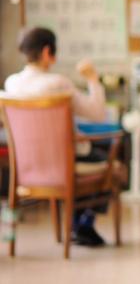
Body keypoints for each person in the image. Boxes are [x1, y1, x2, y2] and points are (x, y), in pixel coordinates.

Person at [4, 27, 109, 246]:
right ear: (46, 52)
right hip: (63, 162)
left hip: (27, 165)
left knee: (90, 156)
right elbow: (98, 114)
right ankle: (82, 223)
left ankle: (77, 223)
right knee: (109, 163)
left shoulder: (11, 84)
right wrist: (92, 78)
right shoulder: (59, 83)